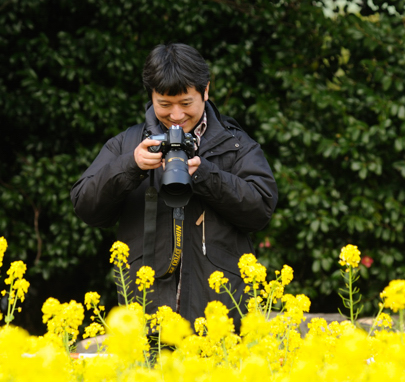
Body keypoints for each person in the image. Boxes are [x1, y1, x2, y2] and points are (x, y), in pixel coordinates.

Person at [71, 43, 278, 327]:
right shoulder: (129, 145)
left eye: (186, 103)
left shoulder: (236, 145)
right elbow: (85, 206)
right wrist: (131, 165)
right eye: (165, 105)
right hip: (146, 315)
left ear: (205, 91)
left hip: (219, 320)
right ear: (151, 96)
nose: (176, 115)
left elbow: (261, 209)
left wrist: (205, 175)